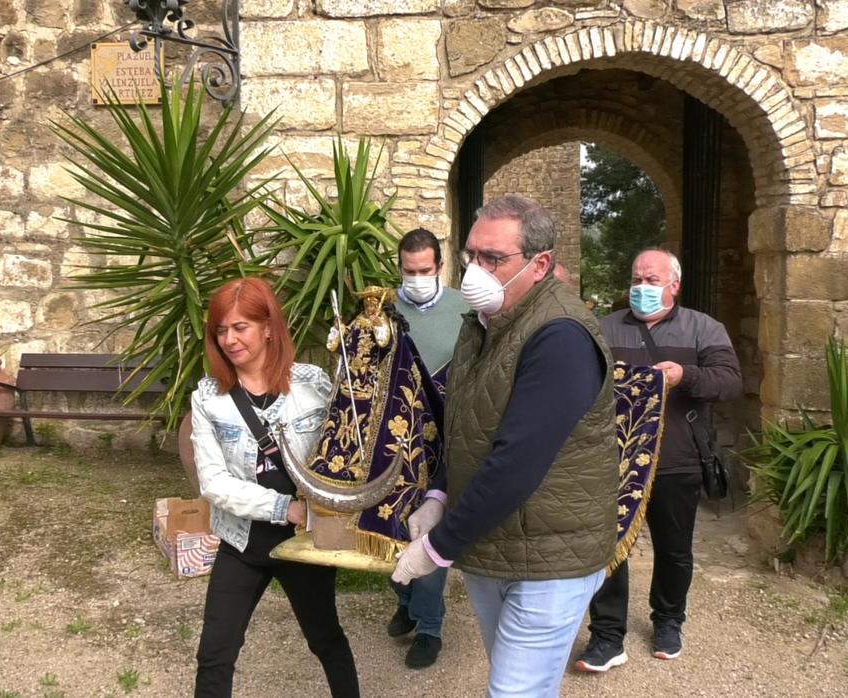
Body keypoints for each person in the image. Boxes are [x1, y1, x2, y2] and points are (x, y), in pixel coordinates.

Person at [391, 195, 621, 697]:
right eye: (472, 255)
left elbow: (516, 462)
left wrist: (436, 548)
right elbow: (470, 424)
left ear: (540, 264)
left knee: (513, 692)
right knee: (519, 683)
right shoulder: (482, 324)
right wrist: (438, 496)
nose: (476, 270)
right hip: (494, 545)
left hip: (550, 555)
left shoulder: (560, 336)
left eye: (493, 259)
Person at [188, 277, 360, 698]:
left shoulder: (313, 383)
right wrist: (286, 507)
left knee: (325, 640)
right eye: (221, 331)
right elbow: (213, 482)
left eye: (240, 327)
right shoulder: (208, 398)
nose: (229, 339)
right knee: (215, 652)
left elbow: (349, 445)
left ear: (268, 326)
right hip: (243, 541)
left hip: (304, 545)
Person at [575, 248, 742, 672]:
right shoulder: (602, 327)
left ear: (674, 286)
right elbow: (576, 380)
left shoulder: (704, 329)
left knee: (673, 549)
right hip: (613, 460)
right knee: (608, 549)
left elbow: (729, 383)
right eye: (636, 279)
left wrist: (686, 376)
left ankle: (668, 621)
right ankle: (608, 636)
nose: (641, 288)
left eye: (651, 281)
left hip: (677, 459)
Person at [385, 228, 470, 669]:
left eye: (424, 270)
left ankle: (431, 628)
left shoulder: (466, 309)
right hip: (392, 442)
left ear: (440, 267)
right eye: (408, 271)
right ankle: (405, 599)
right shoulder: (382, 309)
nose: (415, 278)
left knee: (429, 531)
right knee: (388, 526)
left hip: (447, 441)